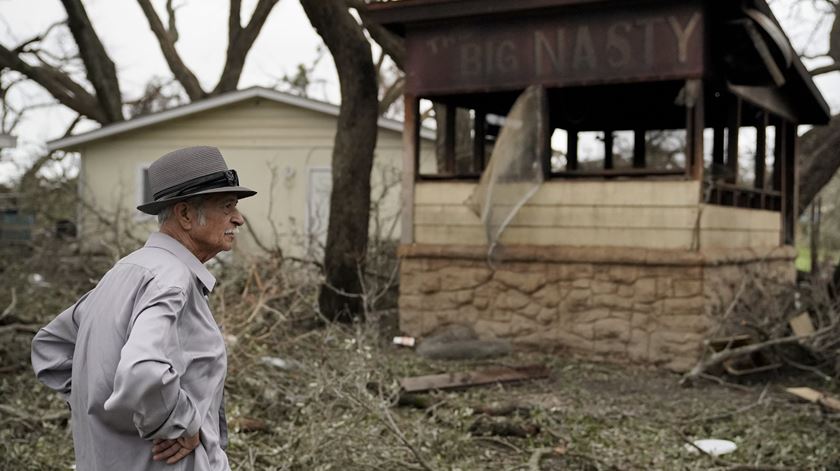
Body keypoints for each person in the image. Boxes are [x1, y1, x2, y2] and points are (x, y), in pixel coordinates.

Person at [31, 146, 256, 470]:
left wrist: (112, 415)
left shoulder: (126, 270)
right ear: (185, 215)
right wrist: (181, 423)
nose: (238, 217)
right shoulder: (170, 280)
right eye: (227, 206)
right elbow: (143, 371)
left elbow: (51, 348)